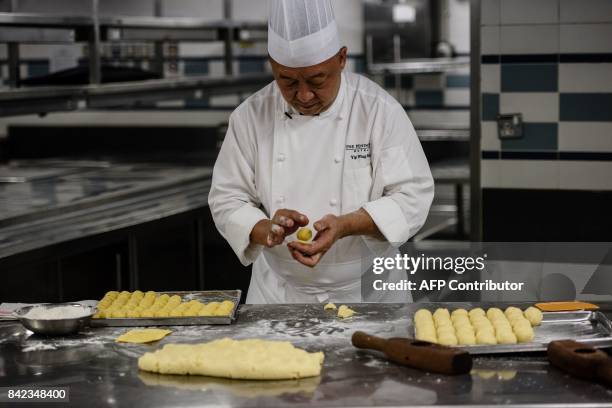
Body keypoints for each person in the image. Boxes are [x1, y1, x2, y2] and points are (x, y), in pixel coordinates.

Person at [209, 0, 434, 304]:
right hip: (278, 296)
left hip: (369, 293)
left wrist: (346, 225)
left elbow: (413, 196)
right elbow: (226, 197)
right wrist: (265, 229)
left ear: (342, 59)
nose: (303, 95)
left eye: (317, 80)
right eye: (287, 81)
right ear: (272, 66)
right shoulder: (251, 115)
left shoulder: (378, 110)